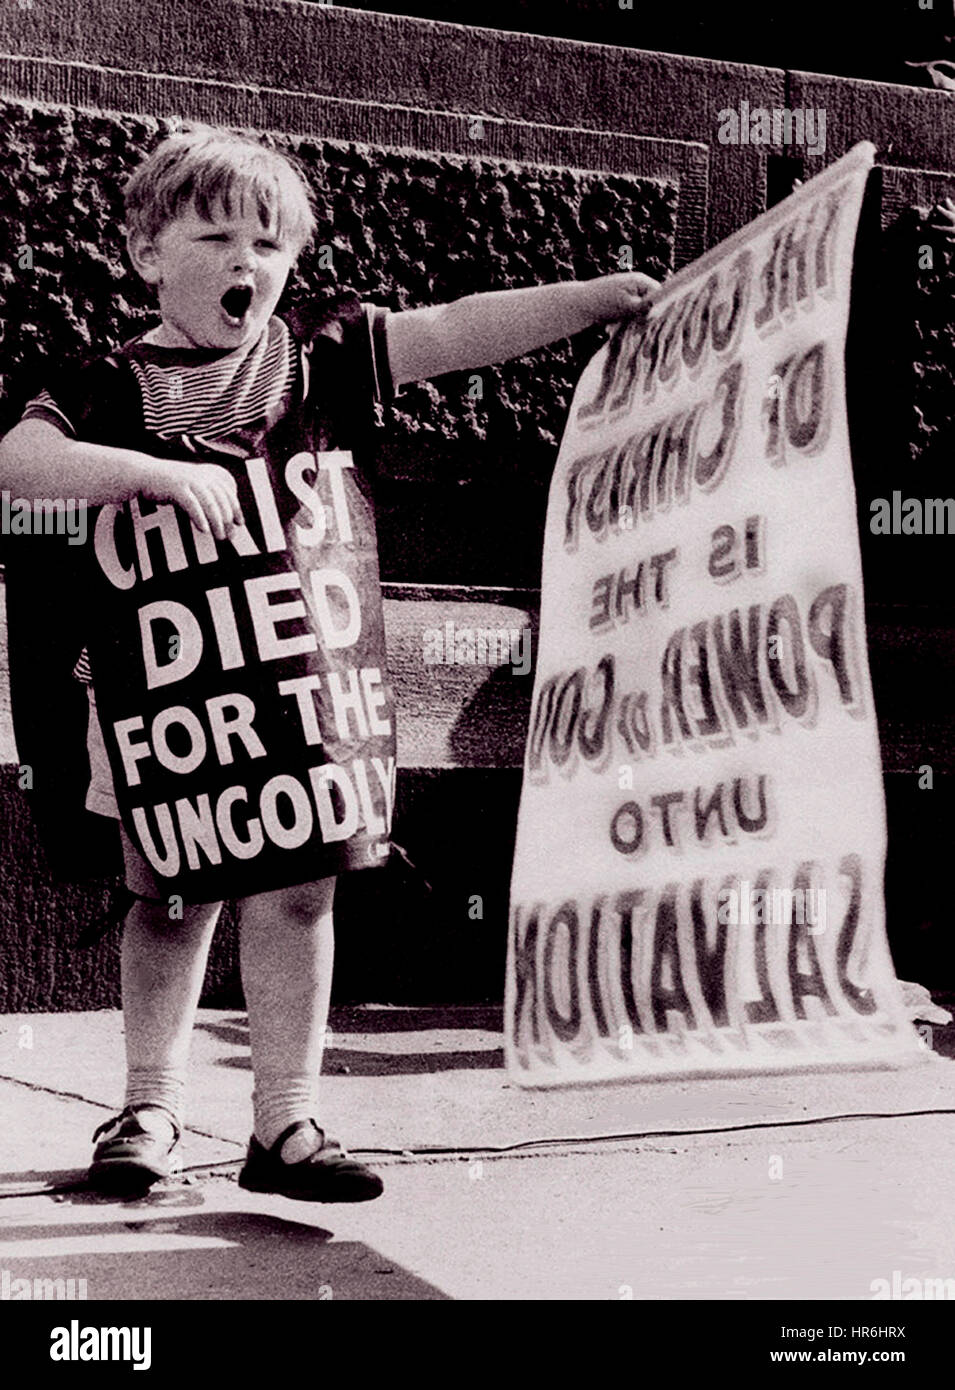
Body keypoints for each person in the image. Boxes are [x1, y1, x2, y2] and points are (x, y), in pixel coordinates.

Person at [0, 125, 658, 1201]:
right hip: (161, 701)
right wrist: (147, 477)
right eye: (213, 235)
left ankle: (284, 1120)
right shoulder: (103, 383)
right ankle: (149, 1104)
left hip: (298, 693)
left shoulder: (321, 354)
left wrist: (589, 296)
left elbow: (454, 329)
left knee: (301, 891)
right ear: (146, 253)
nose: (244, 261)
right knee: (167, 892)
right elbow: (22, 460)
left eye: (269, 241)